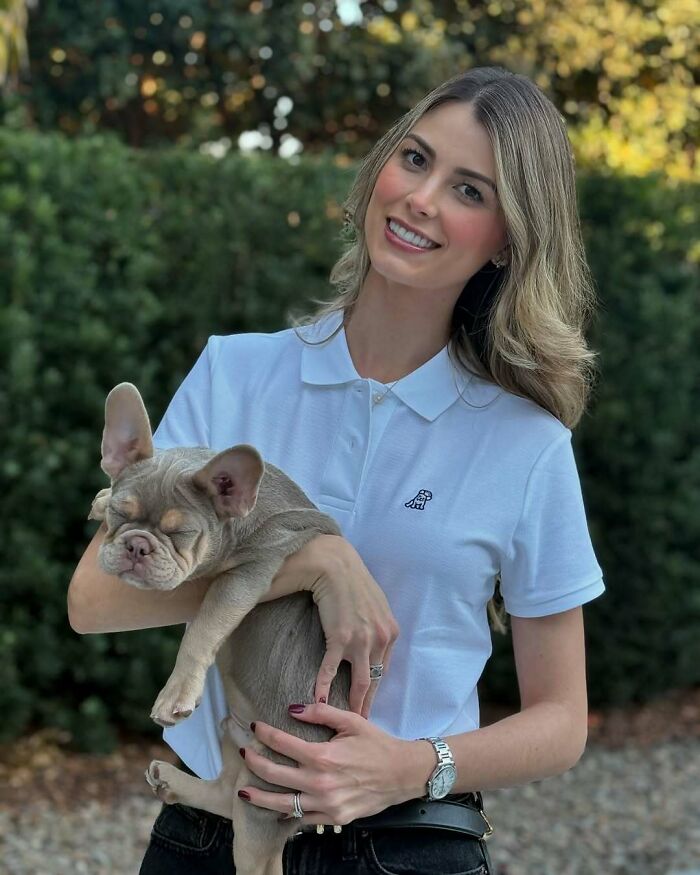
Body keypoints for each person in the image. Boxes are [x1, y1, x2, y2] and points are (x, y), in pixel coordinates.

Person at [68, 66, 605, 874]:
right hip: (211, 836)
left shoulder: (526, 444)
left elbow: (563, 719)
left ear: (507, 237)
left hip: (414, 843)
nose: (422, 198)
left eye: (470, 190)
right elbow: (93, 602)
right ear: (380, 169)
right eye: (416, 159)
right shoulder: (234, 374)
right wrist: (314, 560)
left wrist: (413, 765)